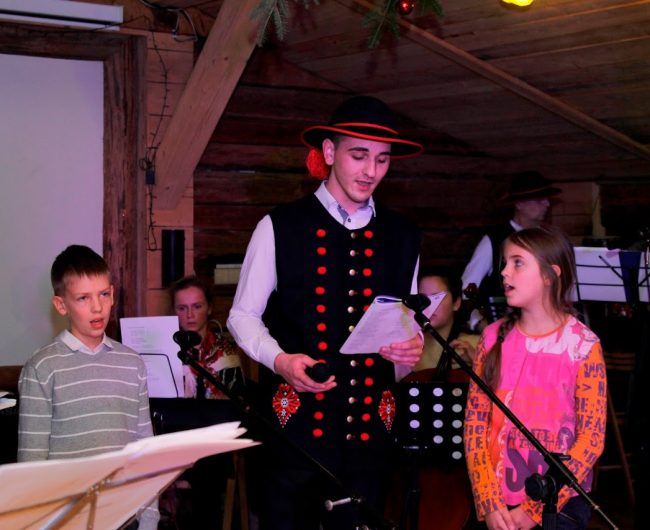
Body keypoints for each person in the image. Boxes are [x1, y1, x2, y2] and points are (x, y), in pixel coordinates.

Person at [227, 95, 425, 530]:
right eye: (359, 155)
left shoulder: (404, 235)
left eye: (382, 160)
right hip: (295, 433)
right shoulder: (279, 225)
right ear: (330, 152)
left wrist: (410, 349)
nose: (371, 171)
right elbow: (242, 316)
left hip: (369, 436)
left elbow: (406, 322)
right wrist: (280, 360)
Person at [463, 227, 607, 530]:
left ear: (549, 275)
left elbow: (591, 440)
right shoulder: (491, 338)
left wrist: (533, 511)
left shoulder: (582, 345)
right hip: (498, 503)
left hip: (562, 503)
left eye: (517, 262)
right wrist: (488, 500)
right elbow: (476, 423)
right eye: (505, 263)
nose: (504, 272)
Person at [17, 244, 158, 529]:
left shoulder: (132, 363)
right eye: (83, 298)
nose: (97, 307)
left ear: (113, 294)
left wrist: (150, 516)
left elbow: (145, 447)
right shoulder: (43, 368)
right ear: (61, 305)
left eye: (103, 294)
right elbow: (31, 463)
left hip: (125, 517)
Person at [461, 171, 561, 330]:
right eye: (539, 199)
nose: (547, 204)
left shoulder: (546, 240)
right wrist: (477, 321)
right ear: (519, 204)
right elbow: (468, 285)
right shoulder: (494, 239)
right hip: (502, 327)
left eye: (546, 199)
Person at [169, 275, 244, 399]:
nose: (190, 315)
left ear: (209, 308)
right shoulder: (166, 350)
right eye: (182, 308)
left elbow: (237, 400)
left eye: (197, 306)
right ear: (174, 311)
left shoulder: (226, 352)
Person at [415, 265, 478, 374]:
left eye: (437, 297)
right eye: (422, 298)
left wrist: (480, 364)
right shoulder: (407, 347)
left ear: (456, 303)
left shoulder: (479, 344)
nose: (428, 306)